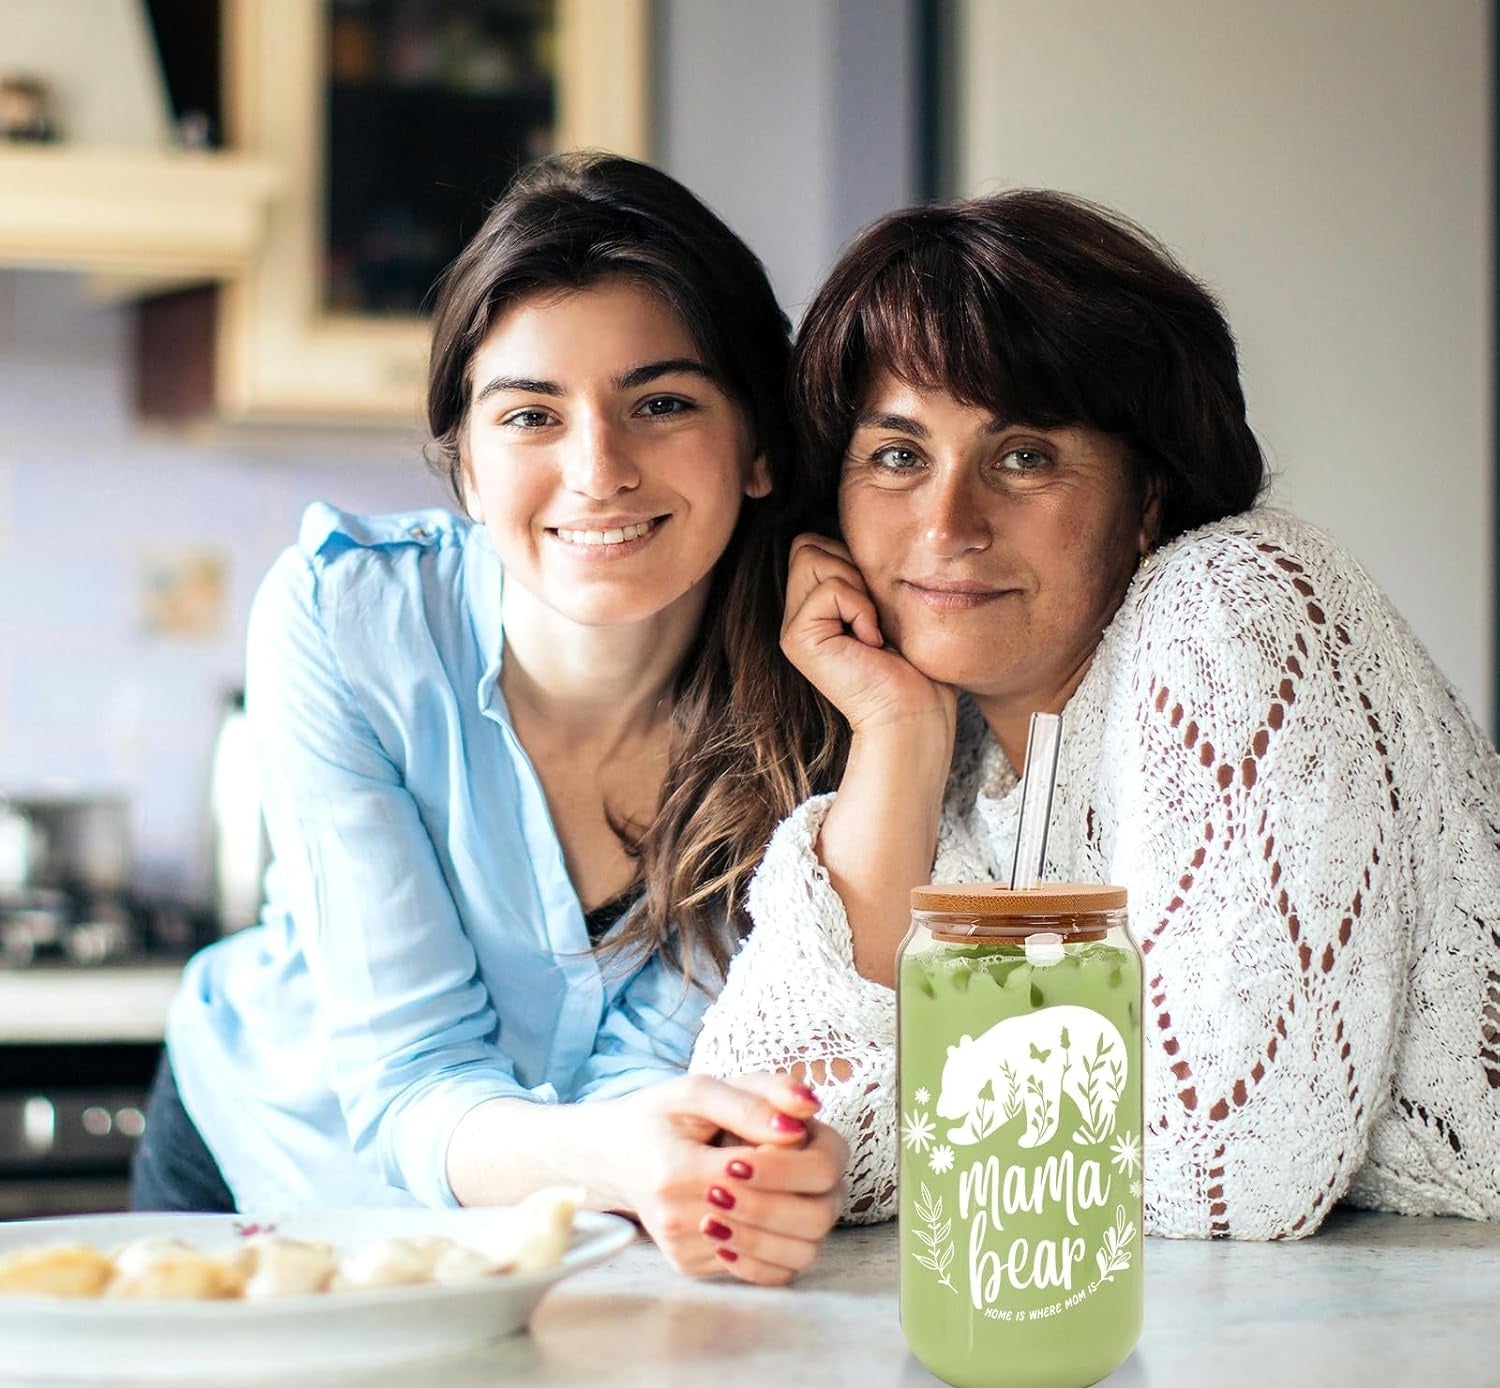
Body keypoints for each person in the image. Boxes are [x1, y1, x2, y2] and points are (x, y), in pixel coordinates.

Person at [692, 189, 1500, 1238]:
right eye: (898, 456)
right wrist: (895, 738)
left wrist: (872, 1131)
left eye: (1023, 455)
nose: (947, 524)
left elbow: (1225, 1174)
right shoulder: (966, 751)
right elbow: (753, 1129)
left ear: (1148, 497)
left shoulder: (1234, 604)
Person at [133, 153, 848, 1286]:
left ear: (757, 445)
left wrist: (652, 1150)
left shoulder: (819, 694)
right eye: (531, 415)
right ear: (463, 463)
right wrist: (621, 1152)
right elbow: (413, 1075)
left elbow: (660, 1079)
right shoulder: (346, 618)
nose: (598, 470)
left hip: (579, 1220)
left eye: (661, 403)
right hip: (273, 1165)